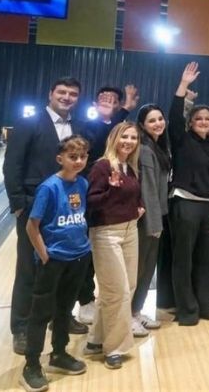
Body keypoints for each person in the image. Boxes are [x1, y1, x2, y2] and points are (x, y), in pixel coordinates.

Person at [3, 76, 86, 355]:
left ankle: (59, 318)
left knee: (60, 267)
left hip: (65, 209)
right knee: (30, 268)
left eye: (72, 93)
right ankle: (22, 327)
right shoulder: (30, 123)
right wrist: (17, 204)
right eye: (61, 92)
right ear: (50, 93)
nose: (66, 97)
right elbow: (12, 164)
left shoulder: (77, 127)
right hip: (32, 205)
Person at [19, 135, 92, 392]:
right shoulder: (49, 187)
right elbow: (32, 225)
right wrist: (45, 254)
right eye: (73, 157)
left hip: (78, 257)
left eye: (83, 156)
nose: (79, 161)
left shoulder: (82, 184)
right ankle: (31, 365)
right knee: (41, 313)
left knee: (64, 310)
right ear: (60, 158)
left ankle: (59, 353)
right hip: (54, 260)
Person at [166, 62, 209, 323]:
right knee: (184, 260)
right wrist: (183, 86)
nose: (203, 122)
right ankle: (187, 310)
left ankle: (206, 305)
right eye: (198, 119)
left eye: (208, 119)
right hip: (185, 205)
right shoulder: (182, 140)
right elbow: (174, 115)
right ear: (191, 122)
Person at [83, 121, 144, 369]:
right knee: (117, 290)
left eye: (133, 137)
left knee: (126, 287)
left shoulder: (130, 167)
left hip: (130, 230)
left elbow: (132, 195)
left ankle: (96, 340)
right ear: (114, 138)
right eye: (124, 137)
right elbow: (91, 201)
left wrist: (139, 207)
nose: (129, 141)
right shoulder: (102, 166)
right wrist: (110, 189)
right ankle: (115, 348)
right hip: (107, 233)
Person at [77, 85, 138, 327]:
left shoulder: (120, 137)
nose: (108, 102)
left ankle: (104, 307)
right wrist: (114, 112)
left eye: (114, 99)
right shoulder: (86, 126)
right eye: (103, 98)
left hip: (114, 211)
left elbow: (115, 138)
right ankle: (84, 301)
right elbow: (101, 142)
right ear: (94, 103)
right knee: (86, 256)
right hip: (89, 197)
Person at [130, 105, 170, 335]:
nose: (158, 123)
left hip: (156, 217)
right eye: (152, 120)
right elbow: (149, 189)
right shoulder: (145, 149)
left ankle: (135, 312)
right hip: (148, 221)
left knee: (147, 268)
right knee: (140, 268)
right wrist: (155, 224)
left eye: (160, 118)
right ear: (143, 125)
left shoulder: (156, 146)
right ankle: (127, 315)